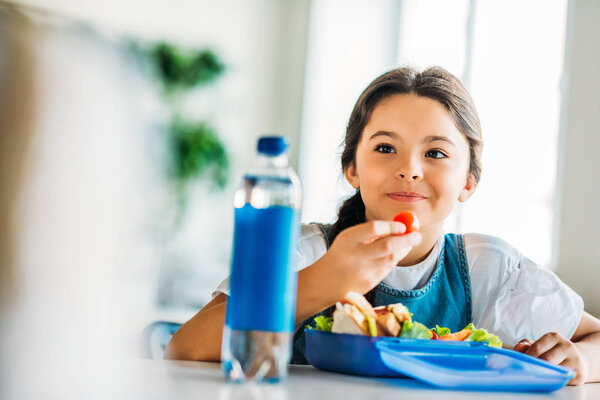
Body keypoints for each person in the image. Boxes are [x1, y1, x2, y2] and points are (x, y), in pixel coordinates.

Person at [165, 66, 600, 385]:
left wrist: (580, 359)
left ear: (468, 182)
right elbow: (185, 348)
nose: (409, 169)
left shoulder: (489, 270)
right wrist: (321, 283)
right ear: (352, 168)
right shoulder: (308, 252)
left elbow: (595, 337)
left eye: (435, 153)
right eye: (386, 147)